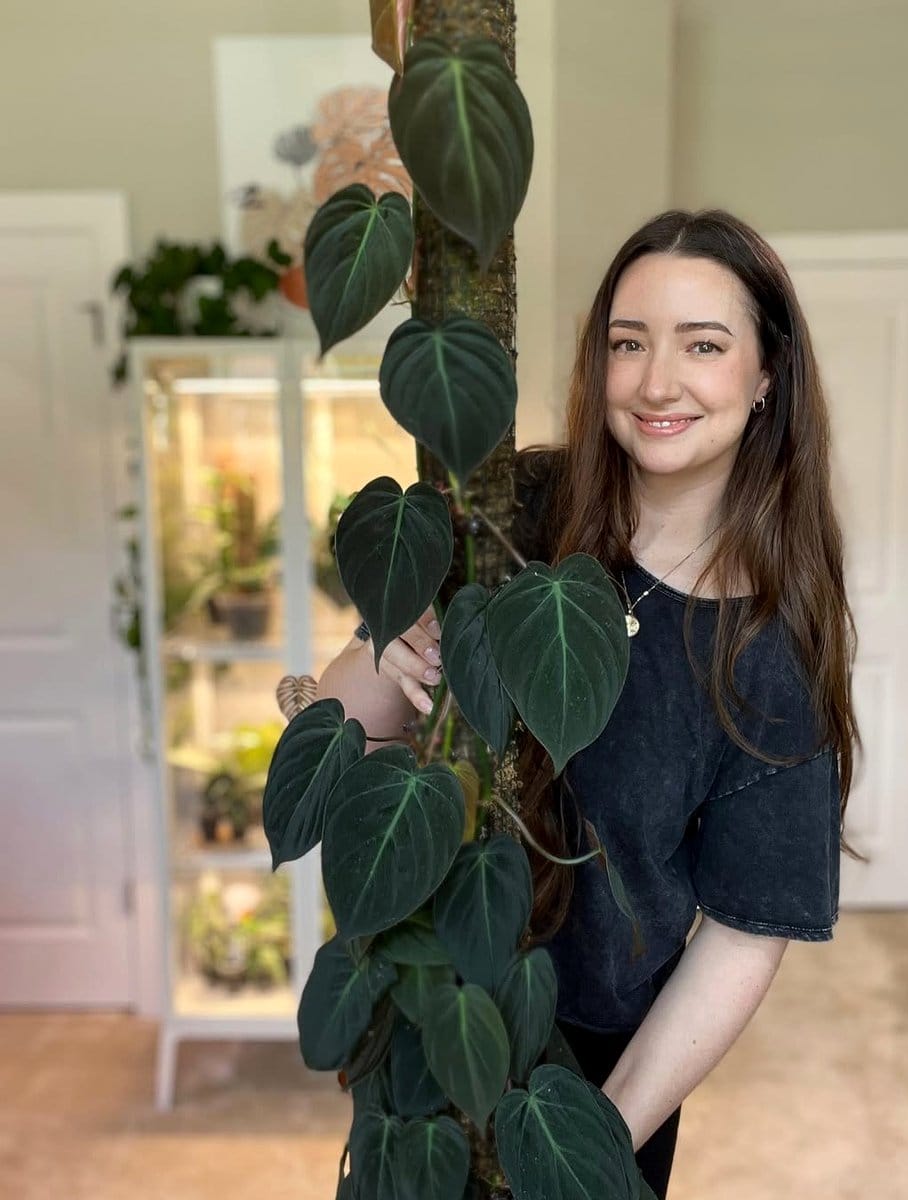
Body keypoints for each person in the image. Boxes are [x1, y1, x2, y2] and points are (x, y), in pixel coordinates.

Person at [315, 208, 860, 1199]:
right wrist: (386, 644)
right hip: (433, 1007)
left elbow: (746, 933)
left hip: (598, 1066)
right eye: (628, 343)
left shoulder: (771, 646)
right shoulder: (519, 502)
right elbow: (341, 734)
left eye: (704, 345)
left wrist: (586, 1144)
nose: (658, 382)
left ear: (766, 373)